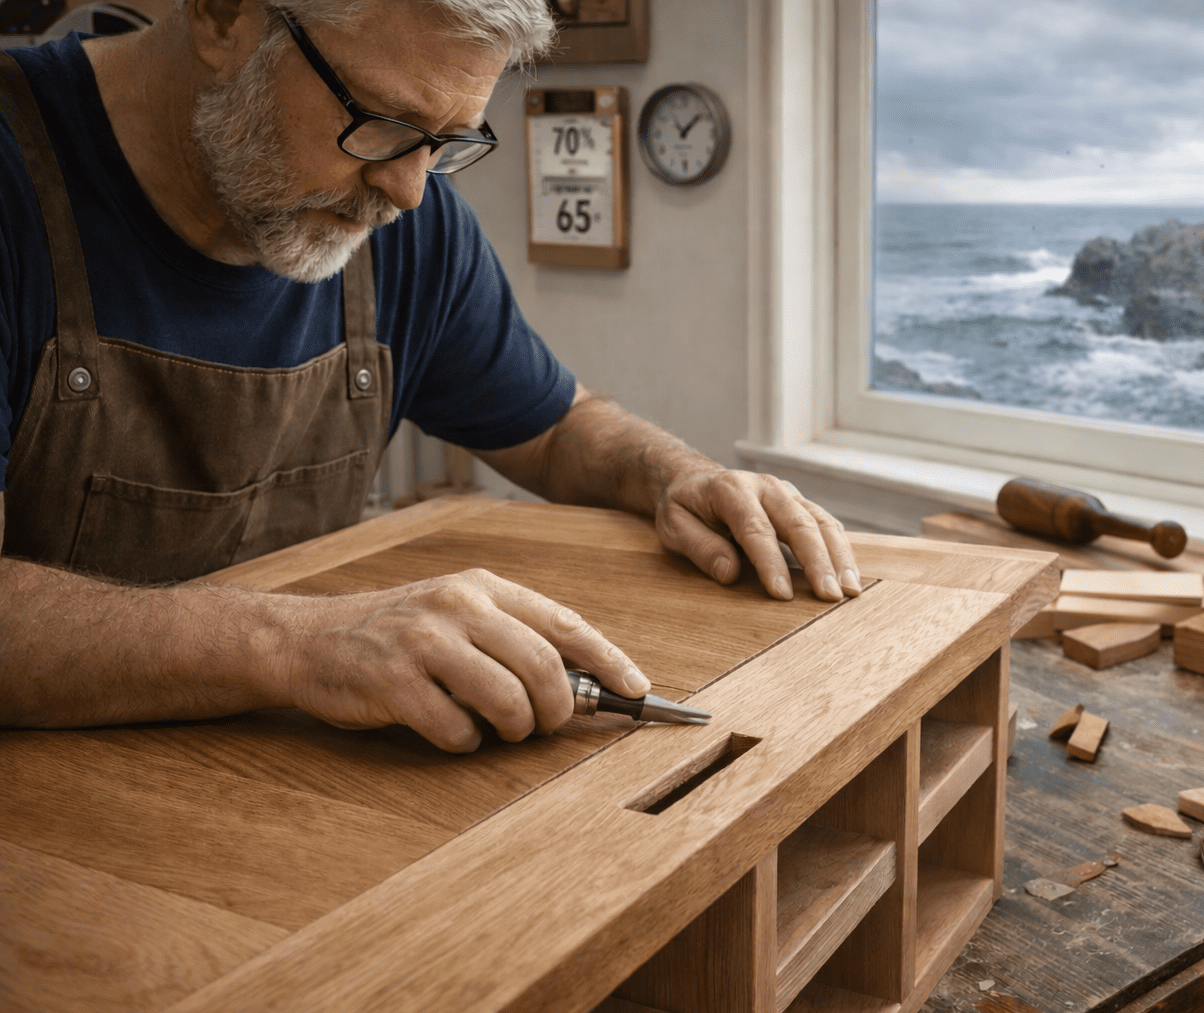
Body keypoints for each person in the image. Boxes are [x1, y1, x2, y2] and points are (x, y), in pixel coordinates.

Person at [0, 0, 861, 752]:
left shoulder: (406, 226)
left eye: (446, 144)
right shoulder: (13, 187)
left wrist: (677, 475)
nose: (408, 192)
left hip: (293, 789)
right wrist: (297, 645)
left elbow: (555, 428)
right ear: (225, 13)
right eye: (378, 120)